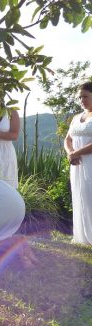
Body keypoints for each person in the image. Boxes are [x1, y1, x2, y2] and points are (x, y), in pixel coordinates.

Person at [64, 81, 92, 245]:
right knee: (80, 195)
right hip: (77, 164)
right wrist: (70, 154)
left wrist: (77, 153)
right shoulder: (76, 117)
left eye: (85, 96)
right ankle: (83, 236)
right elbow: (67, 139)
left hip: (89, 162)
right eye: (80, 97)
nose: (82, 100)